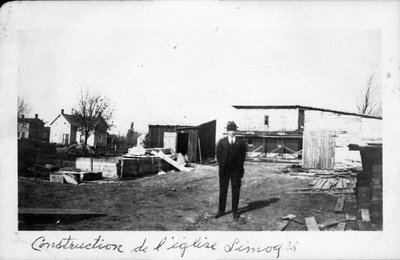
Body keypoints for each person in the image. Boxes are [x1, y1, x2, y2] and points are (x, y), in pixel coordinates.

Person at [215, 121, 247, 220]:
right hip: (225, 170)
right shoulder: (222, 142)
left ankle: (235, 211)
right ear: (227, 131)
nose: (232, 132)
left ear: (235, 131)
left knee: (235, 191)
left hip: (236, 171)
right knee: (223, 190)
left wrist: (239, 168)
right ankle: (221, 210)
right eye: (230, 130)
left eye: (233, 130)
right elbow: (218, 155)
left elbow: (243, 157)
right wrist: (222, 165)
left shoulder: (240, 143)